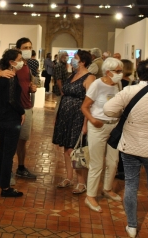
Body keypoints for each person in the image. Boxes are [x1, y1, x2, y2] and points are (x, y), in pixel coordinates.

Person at [103, 58, 148, 237]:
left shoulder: (128, 91)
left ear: (137, 74)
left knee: (131, 184)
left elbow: (108, 109)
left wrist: (124, 113)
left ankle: (132, 226)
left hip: (130, 146)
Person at [81, 57, 123, 213]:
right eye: (117, 71)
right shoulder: (97, 85)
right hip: (98, 127)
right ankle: (90, 195)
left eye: (120, 71)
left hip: (114, 126)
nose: (120, 74)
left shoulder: (118, 84)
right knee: (97, 163)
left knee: (113, 161)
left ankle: (107, 188)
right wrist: (92, 120)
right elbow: (84, 107)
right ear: (108, 72)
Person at [0, 37, 38, 179]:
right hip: (13, 110)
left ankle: (20, 167)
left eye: (30, 47)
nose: (28, 50)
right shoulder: (11, 66)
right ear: (18, 49)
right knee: (8, 144)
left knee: (22, 140)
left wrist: (32, 88)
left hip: (26, 106)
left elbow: (27, 84)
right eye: (25, 47)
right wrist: (0, 73)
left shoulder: (28, 65)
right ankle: (6, 173)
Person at [52, 50, 95, 194]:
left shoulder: (89, 78)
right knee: (66, 148)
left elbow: (89, 102)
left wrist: (85, 123)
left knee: (75, 150)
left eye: (75, 58)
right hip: (65, 116)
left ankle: (81, 182)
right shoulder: (72, 75)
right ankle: (69, 178)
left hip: (78, 116)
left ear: (83, 61)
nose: (72, 60)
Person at [0, 49, 25, 197]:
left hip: (1, 116)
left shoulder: (1, 74)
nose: (22, 61)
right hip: (11, 118)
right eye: (19, 59)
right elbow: (12, 99)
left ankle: (1, 181)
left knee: (3, 151)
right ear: (12, 62)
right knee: (8, 153)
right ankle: (5, 187)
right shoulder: (10, 76)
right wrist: (21, 111)